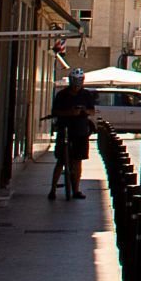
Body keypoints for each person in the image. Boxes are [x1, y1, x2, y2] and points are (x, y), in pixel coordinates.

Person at [46, 70, 99, 199]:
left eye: (79, 81)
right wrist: (70, 113)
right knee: (61, 160)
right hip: (65, 130)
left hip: (80, 131)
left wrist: (83, 111)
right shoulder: (62, 95)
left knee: (78, 161)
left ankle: (76, 189)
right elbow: (55, 111)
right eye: (75, 81)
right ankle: (52, 189)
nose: (77, 85)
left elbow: (92, 111)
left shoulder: (86, 94)